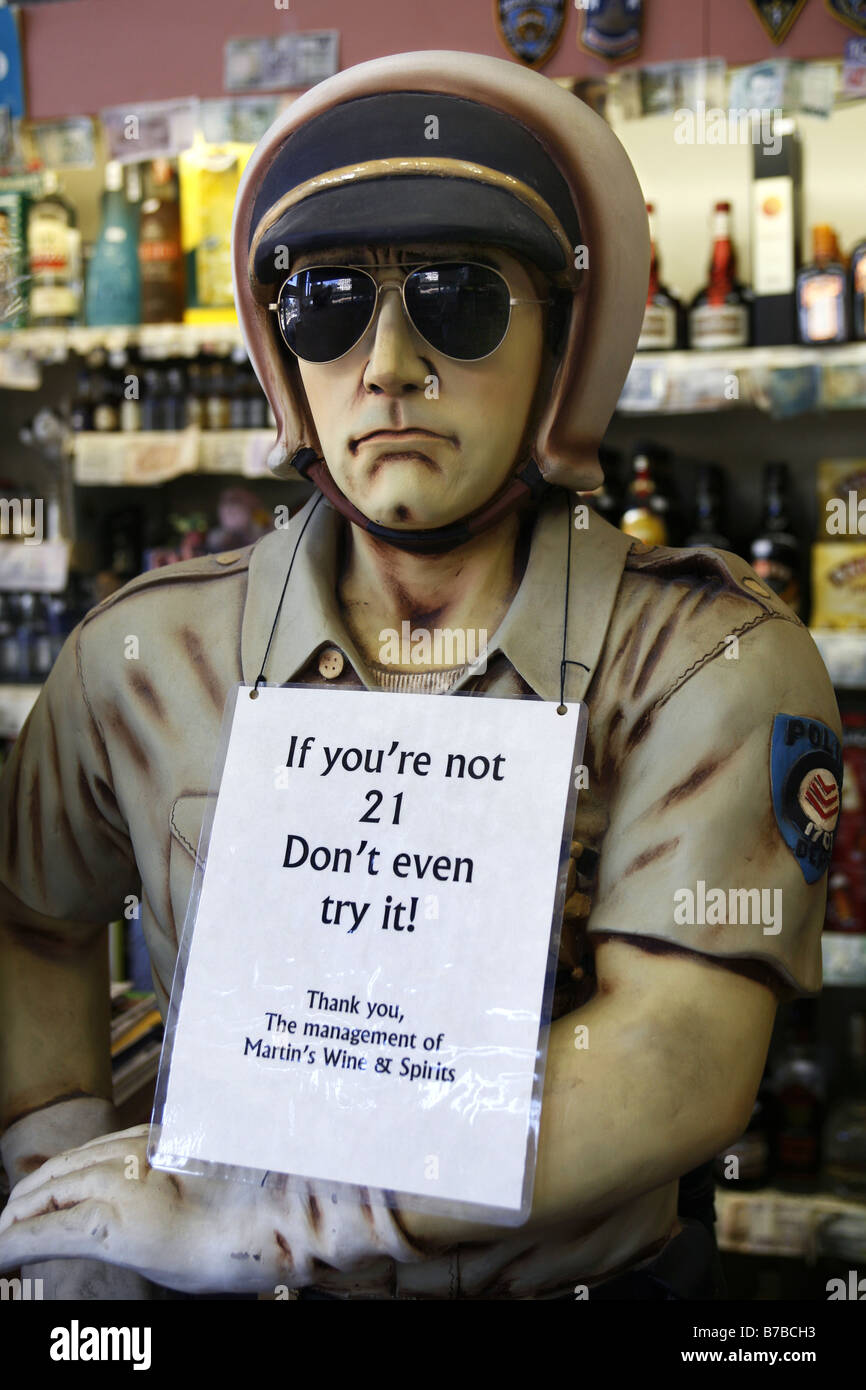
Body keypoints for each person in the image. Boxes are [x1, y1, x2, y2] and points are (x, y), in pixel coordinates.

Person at [0, 51, 842, 1301]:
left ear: (562, 343)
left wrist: (266, 1223)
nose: (388, 362)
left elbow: (675, 1052)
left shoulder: (703, 661)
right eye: (328, 304)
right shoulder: (141, 659)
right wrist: (64, 1182)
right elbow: (33, 910)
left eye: (458, 299)